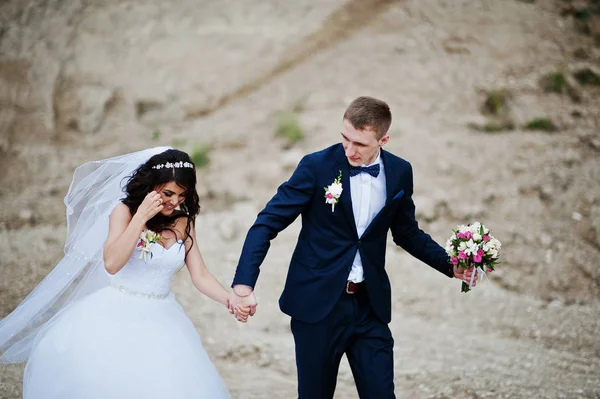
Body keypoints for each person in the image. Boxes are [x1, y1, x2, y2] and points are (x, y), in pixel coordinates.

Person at [228, 97, 477, 398]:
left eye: (359, 143)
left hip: (369, 306)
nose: (349, 150)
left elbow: (407, 233)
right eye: (345, 138)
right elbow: (267, 223)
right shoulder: (316, 166)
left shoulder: (399, 172)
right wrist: (243, 283)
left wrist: (450, 265)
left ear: (383, 139)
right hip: (318, 307)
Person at [0, 147, 247, 398]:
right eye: (167, 193)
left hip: (165, 315)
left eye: (182, 195)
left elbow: (200, 274)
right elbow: (112, 263)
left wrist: (229, 299)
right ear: (151, 187)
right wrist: (141, 217)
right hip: (116, 311)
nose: (174, 202)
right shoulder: (124, 212)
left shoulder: (184, 221)